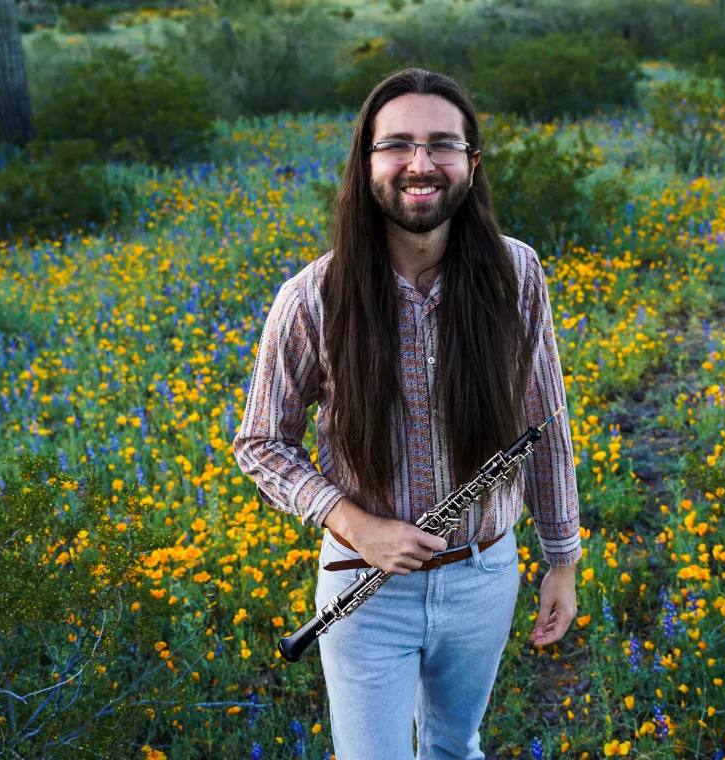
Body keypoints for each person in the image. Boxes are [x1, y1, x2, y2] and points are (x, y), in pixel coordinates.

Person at [232, 67, 581, 760]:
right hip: (363, 586)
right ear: (366, 163)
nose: (420, 164)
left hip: (485, 575)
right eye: (396, 145)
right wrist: (358, 526)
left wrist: (561, 561)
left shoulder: (517, 274)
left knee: (455, 748)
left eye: (442, 145)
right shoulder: (312, 297)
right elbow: (262, 442)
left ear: (471, 164)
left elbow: (547, 423)